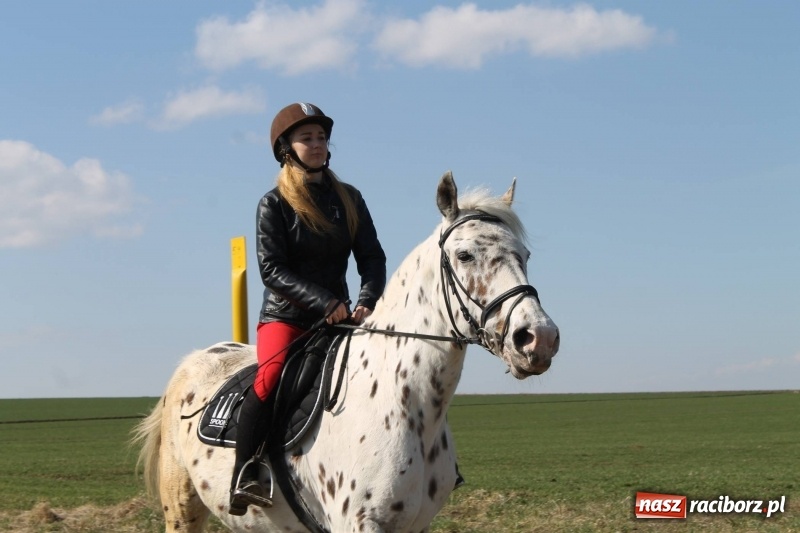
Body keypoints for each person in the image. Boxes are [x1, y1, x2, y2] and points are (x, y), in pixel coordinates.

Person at [229, 102, 387, 515]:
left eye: (321, 137)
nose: (317, 144)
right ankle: (245, 472)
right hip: (286, 317)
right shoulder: (273, 204)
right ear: (286, 149)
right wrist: (326, 302)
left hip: (340, 318)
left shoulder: (350, 199)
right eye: (306, 138)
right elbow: (272, 270)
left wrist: (366, 300)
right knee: (269, 379)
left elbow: (372, 258)